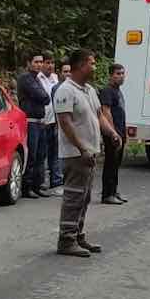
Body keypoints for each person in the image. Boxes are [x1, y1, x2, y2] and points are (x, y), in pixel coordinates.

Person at [53, 49, 121, 257]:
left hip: (90, 152)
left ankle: (77, 235)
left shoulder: (89, 90)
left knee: (85, 196)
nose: (94, 67)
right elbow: (64, 122)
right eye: (91, 63)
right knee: (74, 196)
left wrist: (111, 133)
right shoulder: (66, 90)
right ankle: (66, 239)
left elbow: (98, 115)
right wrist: (81, 148)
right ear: (81, 65)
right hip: (75, 154)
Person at [15, 52, 50, 198]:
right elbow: (42, 96)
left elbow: (45, 98)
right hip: (30, 122)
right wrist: (43, 96)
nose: (39, 64)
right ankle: (27, 186)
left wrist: (43, 96)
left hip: (40, 122)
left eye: (41, 62)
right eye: (36, 62)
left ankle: (37, 185)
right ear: (28, 63)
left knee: (41, 155)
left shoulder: (37, 79)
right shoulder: (25, 78)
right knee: (32, 155)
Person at [99, 64, 129, 205]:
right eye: (118, 74)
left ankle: (114, 191)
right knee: (110, 163)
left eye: (122, 73)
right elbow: (106, 112)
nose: (121, 76)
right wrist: (113, 133)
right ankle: (107, 194)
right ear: (111, 75)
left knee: (116, 164)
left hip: (120, 131)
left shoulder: (118, 91)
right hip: (113, 133)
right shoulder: (107, 91)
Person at [38, 54, 61, 192]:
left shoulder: (56, 78)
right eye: (48, 62)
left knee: (55, 152)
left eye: (52, 62)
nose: (50, 65)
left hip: (54, 121)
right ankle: (43, 181)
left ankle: (56, 181)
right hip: (43, 121)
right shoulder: (38, 78)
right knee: (43, 153)